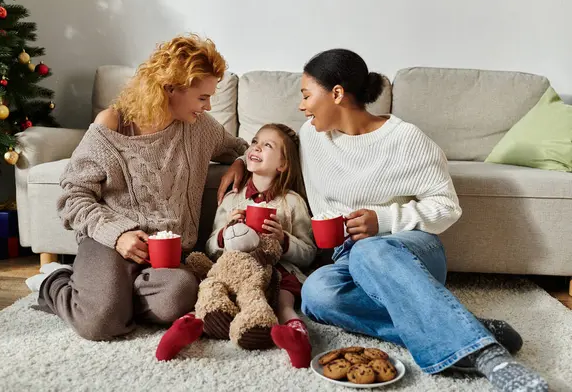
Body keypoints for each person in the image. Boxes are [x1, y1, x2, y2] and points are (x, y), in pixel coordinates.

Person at [217, 49, 547, 391]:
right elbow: (275, 151)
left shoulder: (406, 140)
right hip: (346, 258)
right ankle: (467, 327)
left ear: (337, 94)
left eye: (306, 95)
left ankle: (488, 356)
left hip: (407, 250)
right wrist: (241, 160)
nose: (302, 105)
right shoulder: (313, 136)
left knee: (369, 251)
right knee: (316, 294)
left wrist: (384, 220)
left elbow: (448, 207)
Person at [25, 34, 248, 341]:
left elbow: (243, 148)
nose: (208, 106)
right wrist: (118, 235)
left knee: (181, 295)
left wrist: (241, 163)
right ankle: (56, 282)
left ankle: (105, 295)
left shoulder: (201, 128)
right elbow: (72, 197)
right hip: (108, 242)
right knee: (100, 324)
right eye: (202, 97)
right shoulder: (113, 125)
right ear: (171, 88)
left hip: (163, 256)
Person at [155, 123, 316, 368]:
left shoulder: (292, 202)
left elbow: (308, 253)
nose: (256, 147)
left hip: (276, 272)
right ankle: (187, 326)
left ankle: (295, 335)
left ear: (282, 165)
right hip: (234, 269)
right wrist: (225, 234)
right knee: (212, 292)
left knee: (284, 300)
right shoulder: (232, 199)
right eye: (255, 141)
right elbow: (210, 247)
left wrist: (284, 240)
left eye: (267, 145)